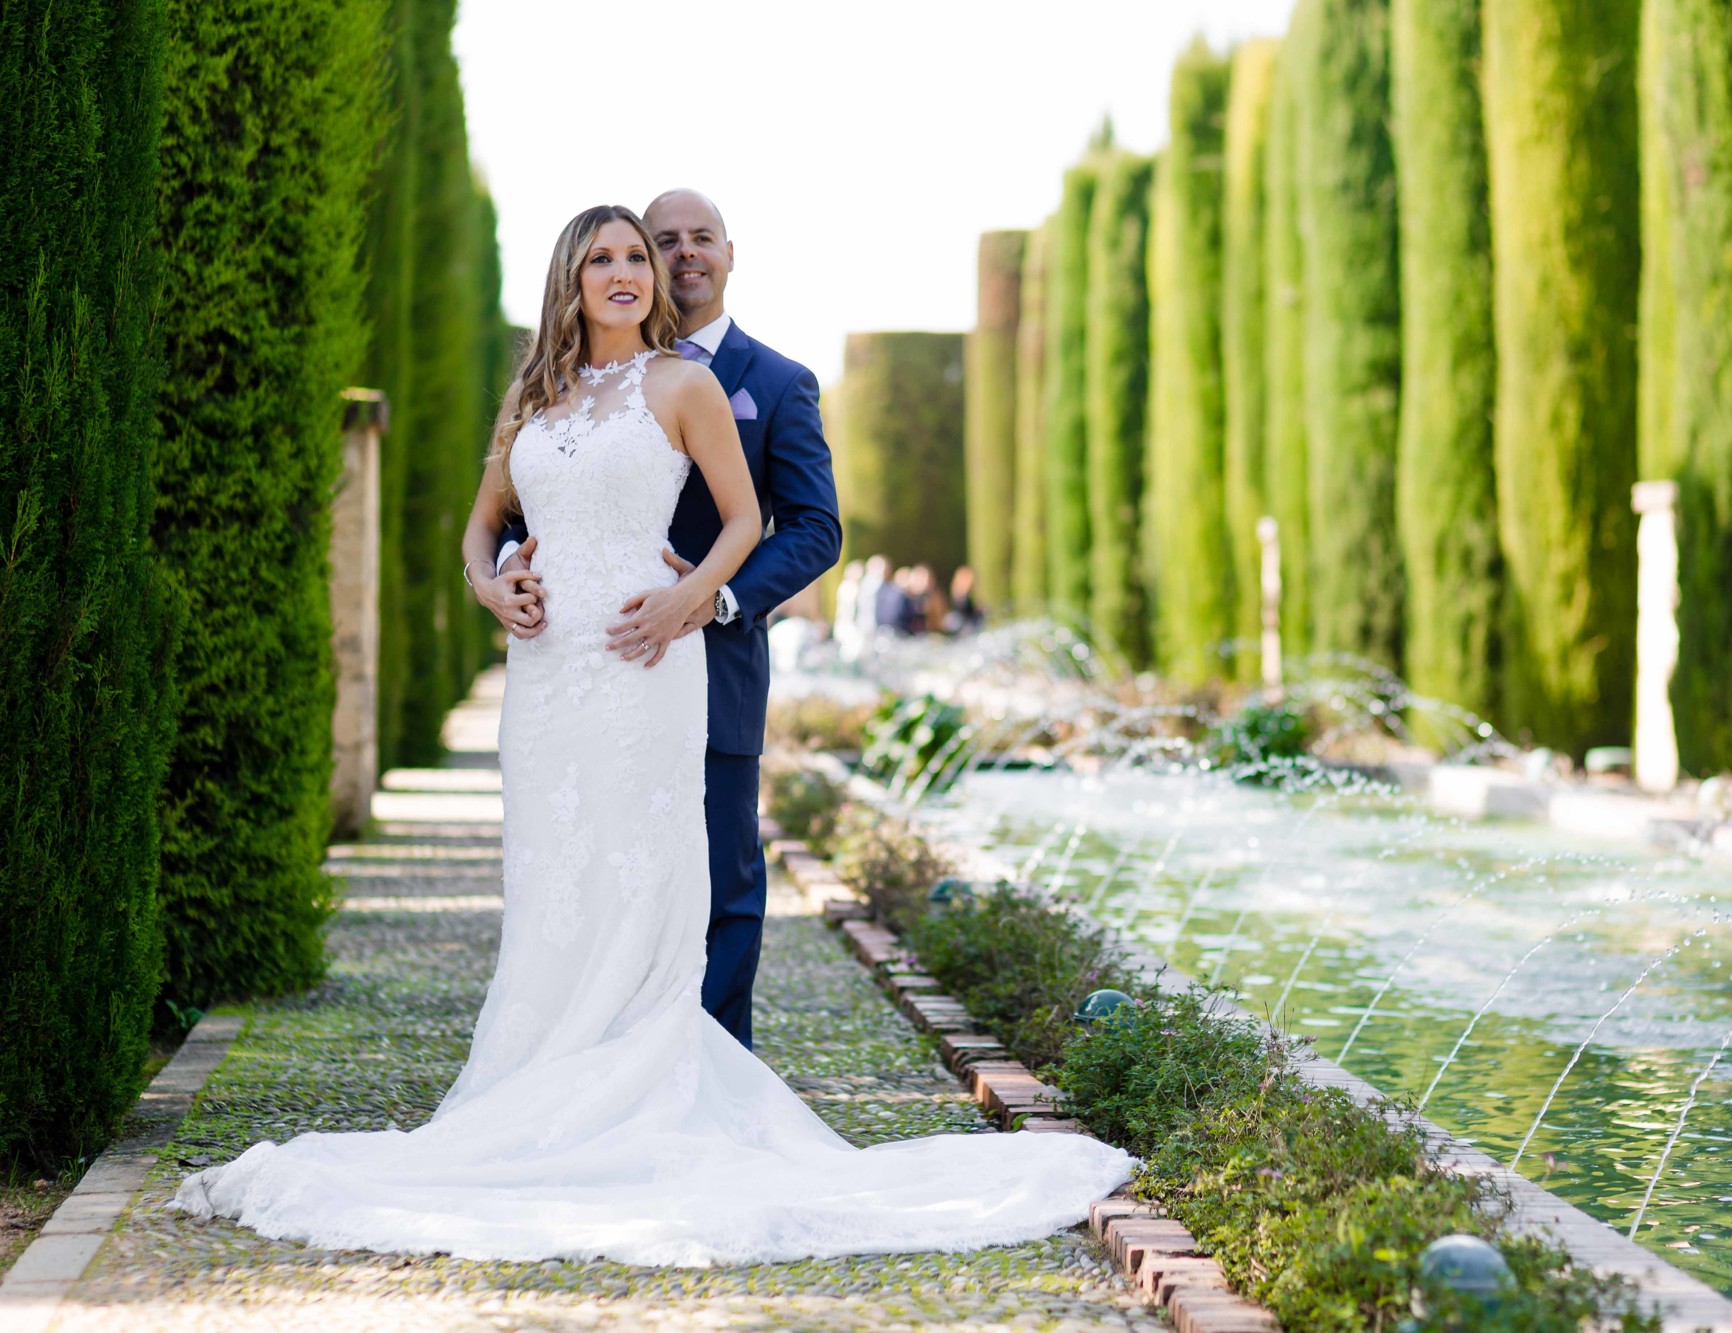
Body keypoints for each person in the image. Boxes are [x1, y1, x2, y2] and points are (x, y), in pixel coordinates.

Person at [172, 205, 1132, 1266]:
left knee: (653, 878)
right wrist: (490, 586)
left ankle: (649, 1085)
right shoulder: (530, 393)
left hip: (647, 661)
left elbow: (751, 520)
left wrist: (698, 598)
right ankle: (538, 1081)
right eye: (606, 258)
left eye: (640, 255)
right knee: (553, 878)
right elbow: (481, 523)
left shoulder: (685, 385)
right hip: (546, 678)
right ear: (571, 278)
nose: (629, 270)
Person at [490, 188, 839, 1049]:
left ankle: (696, 1073)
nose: (683, 254)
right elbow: (511, 510)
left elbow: (813, 527)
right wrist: (503, 572)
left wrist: (711, 597)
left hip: (710, 662)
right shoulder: (555, 384)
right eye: (664, 240)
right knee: (580, 868)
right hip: (572, 662)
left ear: (730, 254)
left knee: (718, 885)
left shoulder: (776, 382)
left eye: (701, 238)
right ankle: (582, 1057)